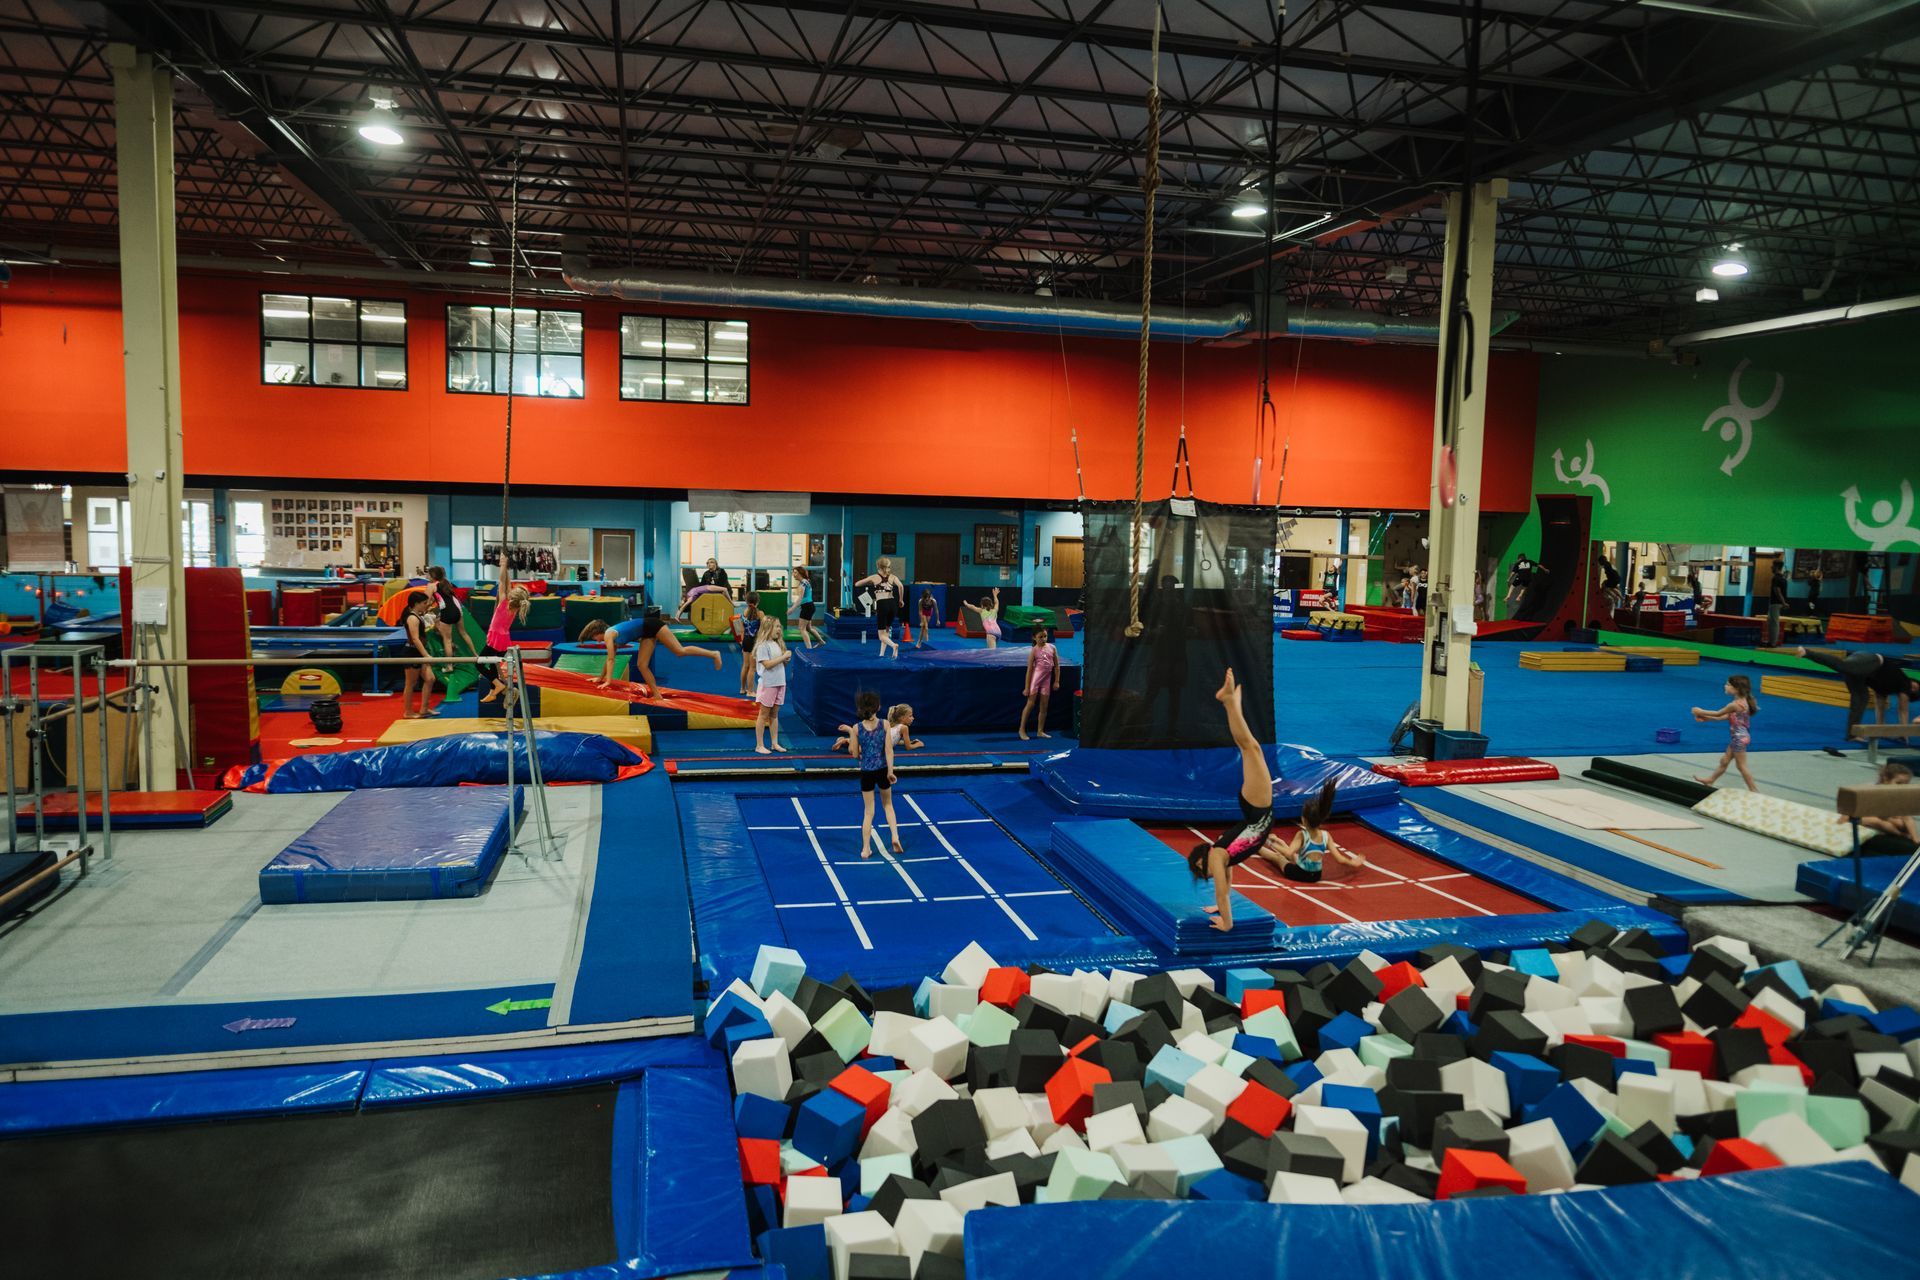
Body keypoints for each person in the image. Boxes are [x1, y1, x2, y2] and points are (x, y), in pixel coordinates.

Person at [581, 607, 724, 699]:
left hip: (653, 625)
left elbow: (611, 660)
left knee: (679, 651)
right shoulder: (611, 635)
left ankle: (714, 654)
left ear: (596, 632)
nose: (596, 641)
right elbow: (609, 658)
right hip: (646, 632)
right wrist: (600, 678)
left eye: (594, 637)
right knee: (642, 665)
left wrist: (608, 681)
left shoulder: (608, 634)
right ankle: (657, 695)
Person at [1794, 645, 1918, 742]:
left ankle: (1851, 735)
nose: (1913, 686)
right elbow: (1903, 710)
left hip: (1863, 674)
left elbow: (1880, 708)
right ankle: (1807, 652)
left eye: (1915, 688)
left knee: (1861, 699)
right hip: (1870, 661)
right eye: (1915, 685)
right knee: (1844, 666)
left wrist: (1880, 729)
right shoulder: (1905, 682)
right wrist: (1905, 732)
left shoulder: (1886, 689)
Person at [1267, 779, 1368, 883]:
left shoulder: (1302, 834)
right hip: (1316, 876)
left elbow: (1288, 853)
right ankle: (1277, 840)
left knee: (1278, 857)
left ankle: (1259, 845)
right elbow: (1339, 859)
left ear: (1303, 819)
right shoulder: (1326, 835)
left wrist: (1270, 843)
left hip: (1299, 873)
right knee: (1294, 855)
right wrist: (1353, 862)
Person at [850, 690, 903, 858]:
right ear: (878, 707)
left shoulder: (857, 728)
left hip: (866, 771)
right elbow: (888, 750)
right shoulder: (885, 724)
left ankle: (865, 848)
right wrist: (890, 771)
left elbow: (854, 754)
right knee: (888, 805)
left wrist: (852, 737)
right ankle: (895, 836)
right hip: (881, 770)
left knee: (868, 812)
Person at [477, 559, 530, 706]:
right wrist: (505, 566)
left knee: (479, 664)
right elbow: (506, 582)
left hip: (495, 638)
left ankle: (498, 686)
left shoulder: (504, 601)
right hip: (504, 640)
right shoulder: (515, 608)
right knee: (493, 664)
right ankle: (493, 691)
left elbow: (502, 582)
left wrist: (503, 565)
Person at [1692, 674, 1760, 791]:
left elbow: (1718, 713)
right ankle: (1711, 780)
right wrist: (1707, 718)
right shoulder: (1741, 702)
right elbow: (1723, 717)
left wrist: (1700, 711)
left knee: (1741, 766)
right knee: (1725, 760)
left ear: (1736, 688)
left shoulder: (1734, 705)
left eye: (1728, 684)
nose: (1725, 686)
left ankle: (1753, 790)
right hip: (1738, 737)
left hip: (1739, 738)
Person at [1837, 763, 1918, 855]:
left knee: (1898, 822)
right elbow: (1852, 808)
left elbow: (1908, 818)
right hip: (1862, 817)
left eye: (1906, 784)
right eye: (1898, 783)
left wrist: (1915, 837)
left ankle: (1903, 836)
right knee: (1877, 821)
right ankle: (1901, 835)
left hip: (1883, 819)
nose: (1902, 787)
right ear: (1886, 779)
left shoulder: (1901, 795)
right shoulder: (1872, 790)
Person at [424, 565, 482, 681]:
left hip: (448, 612)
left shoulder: (431, 586)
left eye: (428, 574)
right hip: (458, 610)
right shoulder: (446, 583)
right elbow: (445, 599)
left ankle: (449, 666)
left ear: (432, 576)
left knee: (447, 640)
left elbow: (425, 601)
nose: (426, 576)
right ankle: (476, 656)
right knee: (463, 633)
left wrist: (425, 609)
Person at [852, 558, 904, 659]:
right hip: (893, 604)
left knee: (881, 635)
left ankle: (894, 645)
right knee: (886, 632)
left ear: (878, 566)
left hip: (882, 604)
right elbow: (901, 586)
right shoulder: (893, 577)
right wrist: (901, 600)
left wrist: (870, 582)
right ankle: (881, 654)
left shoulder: (874, 577)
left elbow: (857, 584)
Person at [398, 591, 439, 719]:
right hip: (412, 652)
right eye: (424, 603)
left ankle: (424, 708)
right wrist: (426, 655)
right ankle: (408, 711)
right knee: (410, 683)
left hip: (419, 652)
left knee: (430, 679)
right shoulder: (412, 618)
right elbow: (415, 639)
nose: (426, 605)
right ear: (416, 604)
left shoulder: (418, 615)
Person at [753, 626, 791, 754]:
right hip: (768, 683)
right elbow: (767, 665)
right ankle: (759, 745)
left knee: (774, 715)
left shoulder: (777, 644)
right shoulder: (763, 646)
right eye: (777, 626)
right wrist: (783, 656)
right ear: (768, 628)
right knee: (763, 715)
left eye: (780, 626)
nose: (779, 629)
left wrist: (785, 659)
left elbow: (779, 664)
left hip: (780, 682)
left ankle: (774, 743)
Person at [1017, 626, 1060, 740]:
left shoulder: (1052, 648)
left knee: (1044, 706)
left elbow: (1056, 666)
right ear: (1034, 638)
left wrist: (1056, 681)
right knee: (1030, 704)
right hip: (1036, 680)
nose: (1043, 639)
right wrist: (1027, 688)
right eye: (1040, 637)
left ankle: (1040, 731)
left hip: (1047, 680)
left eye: (1045, 636)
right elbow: (1030, 670)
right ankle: (1021, 729)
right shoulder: (1034, 650)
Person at [792, 567, 822, 649]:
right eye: (793, 572)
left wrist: (792, 608)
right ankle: (821, 641)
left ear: (800, 573)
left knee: (802, 628)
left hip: (807, 607)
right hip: (809, 606)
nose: (793, 574)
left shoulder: (803, 583)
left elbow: (800, 598)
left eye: (795, 572)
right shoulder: (805, 581)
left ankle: (809, 649)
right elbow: (806, 597)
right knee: (808, 628)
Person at [1767, 559, 1788, 647]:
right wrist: (1783, 603)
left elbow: (1777, 591)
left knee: (1774, 623)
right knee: (1772, 622)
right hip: (1778, 603)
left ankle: (1772, 643)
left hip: (1775, 603)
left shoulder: (1776, 578)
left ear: (1776, 567)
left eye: (1773, 566)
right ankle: (1771, 641)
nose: (1771, 567)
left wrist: (1783, 603)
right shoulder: (1783, 578)